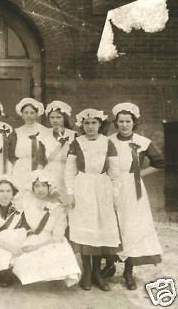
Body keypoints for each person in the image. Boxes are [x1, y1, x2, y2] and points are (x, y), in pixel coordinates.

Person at [104, 103, 164, 290]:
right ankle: (109, 265)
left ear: (134, 122)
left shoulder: (143, 142)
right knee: (111, 225)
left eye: (128, 121)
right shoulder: (108, 140)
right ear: (116, 123)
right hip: (111, 185)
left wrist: (138, 174)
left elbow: (159, 163)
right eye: (120, 121)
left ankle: (128, 271)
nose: (124, 125)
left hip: (133, 188)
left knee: (132, 227)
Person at [65, 108, 121, 292]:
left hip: (102, 188)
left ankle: (97, 272)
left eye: (94, 123)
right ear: (82, 125)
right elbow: (69, 170)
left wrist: (115, 194)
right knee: (86, 230)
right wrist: (70, 192)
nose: (90, 126)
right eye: (87, 123)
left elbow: (114, 171)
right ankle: (87, 272)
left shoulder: (108, 143)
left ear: (100, 125)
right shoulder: (76, 143)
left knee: (100, 230)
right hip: (82, 187)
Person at [12, 170, 81, 287]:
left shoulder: (57, 206)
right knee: (24, 259)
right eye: (37, 185)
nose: (40, 189)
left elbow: (58, 236)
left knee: (55, 254)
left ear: (50, 187)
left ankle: (54, 278)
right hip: (33, 236)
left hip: (51, 240)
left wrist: (36, 247)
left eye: (44, 185)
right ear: (32, 187)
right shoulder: (27, 201)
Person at [0, 175, 27, 287]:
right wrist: (11, 247)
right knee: (6, 235)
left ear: (13, 193)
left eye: (8, 191)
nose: (5, 194)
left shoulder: (18, 208)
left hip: (13, 241)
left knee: (15, 233)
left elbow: (24, 227)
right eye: (1, 191)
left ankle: (4, 271)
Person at [41, 100, 76, 203]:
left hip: (67, 173)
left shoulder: (74, 135)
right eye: (52, 117)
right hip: (49, 172)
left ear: (64, 118)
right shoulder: (44, 135)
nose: (55, 120)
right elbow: (39, 159)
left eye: (58, 117)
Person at [12, 97, 49, 187]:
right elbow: (12, 153)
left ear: (37, 114)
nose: (29, 116)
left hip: (39, 167)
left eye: (32, 113)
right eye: (26, 113)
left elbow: (46, 152)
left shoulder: (45, 131)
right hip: (20, 168)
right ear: (22, 114)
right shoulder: (16, 132)